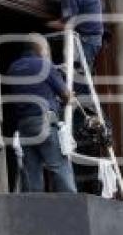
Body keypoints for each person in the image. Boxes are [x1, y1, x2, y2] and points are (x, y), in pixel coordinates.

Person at [5, 34, 76, 193]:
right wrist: (69, 98)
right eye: (47, 50)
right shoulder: (44, 65)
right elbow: (65, 94)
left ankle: (33, 209)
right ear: (41, 49)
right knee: (60, 167)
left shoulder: (13, 68)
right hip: (44, 122)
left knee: (31, 173)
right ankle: (72, 206)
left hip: (24, 126)